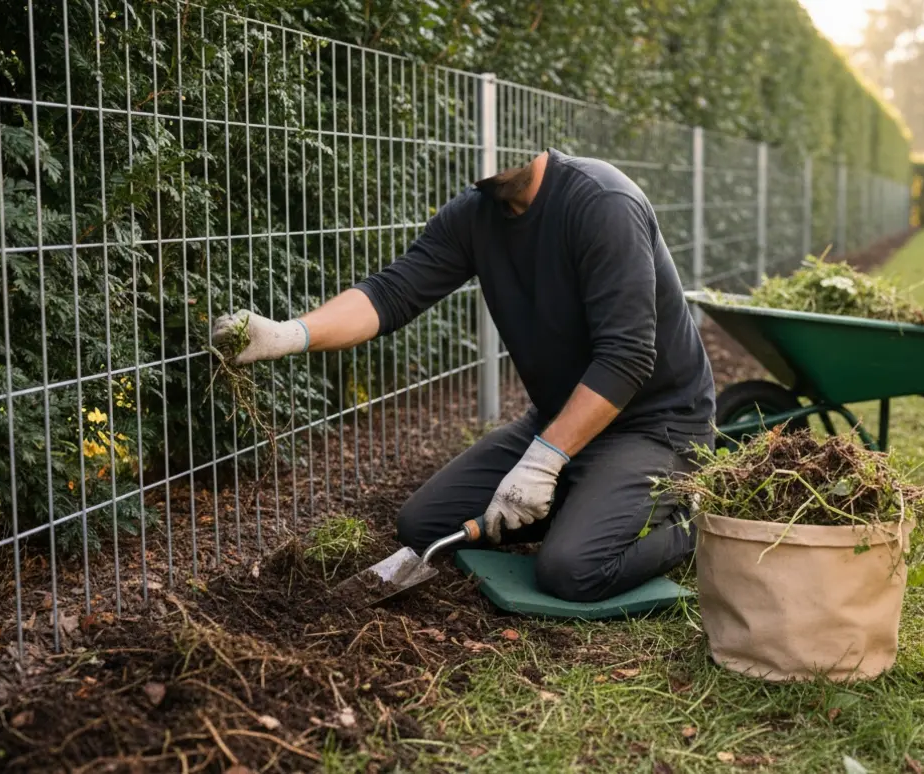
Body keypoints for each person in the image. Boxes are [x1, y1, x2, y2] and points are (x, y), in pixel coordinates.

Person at [211, 148, 715, 602]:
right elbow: (390, 294)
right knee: (422, 525)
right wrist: (288, 334)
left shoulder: (602, 202)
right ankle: (592, 504)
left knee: (571, 570)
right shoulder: (475, 216)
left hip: (654, 425)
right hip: (562, 419)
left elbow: (627, 356)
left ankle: (698, 519)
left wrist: (543, 460)